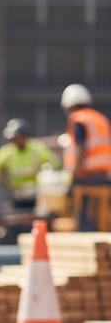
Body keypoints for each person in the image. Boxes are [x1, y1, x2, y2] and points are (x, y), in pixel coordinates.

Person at [60, 84, 111, 231]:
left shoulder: (78, 119)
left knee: (81, 213)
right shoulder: (100, 118)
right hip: (104, 175)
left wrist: (75, 174)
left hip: (87, 175)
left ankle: (84, 230)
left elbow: (80, 147)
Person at [0, 118, 61, 210]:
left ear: (24, 135)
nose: (14, 140)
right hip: (16, 196)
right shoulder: (7, 152)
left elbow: (55, 162)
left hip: (36, 196)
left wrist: (46, 174)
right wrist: (2, 181)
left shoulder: (36, 149)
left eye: (16, 137)